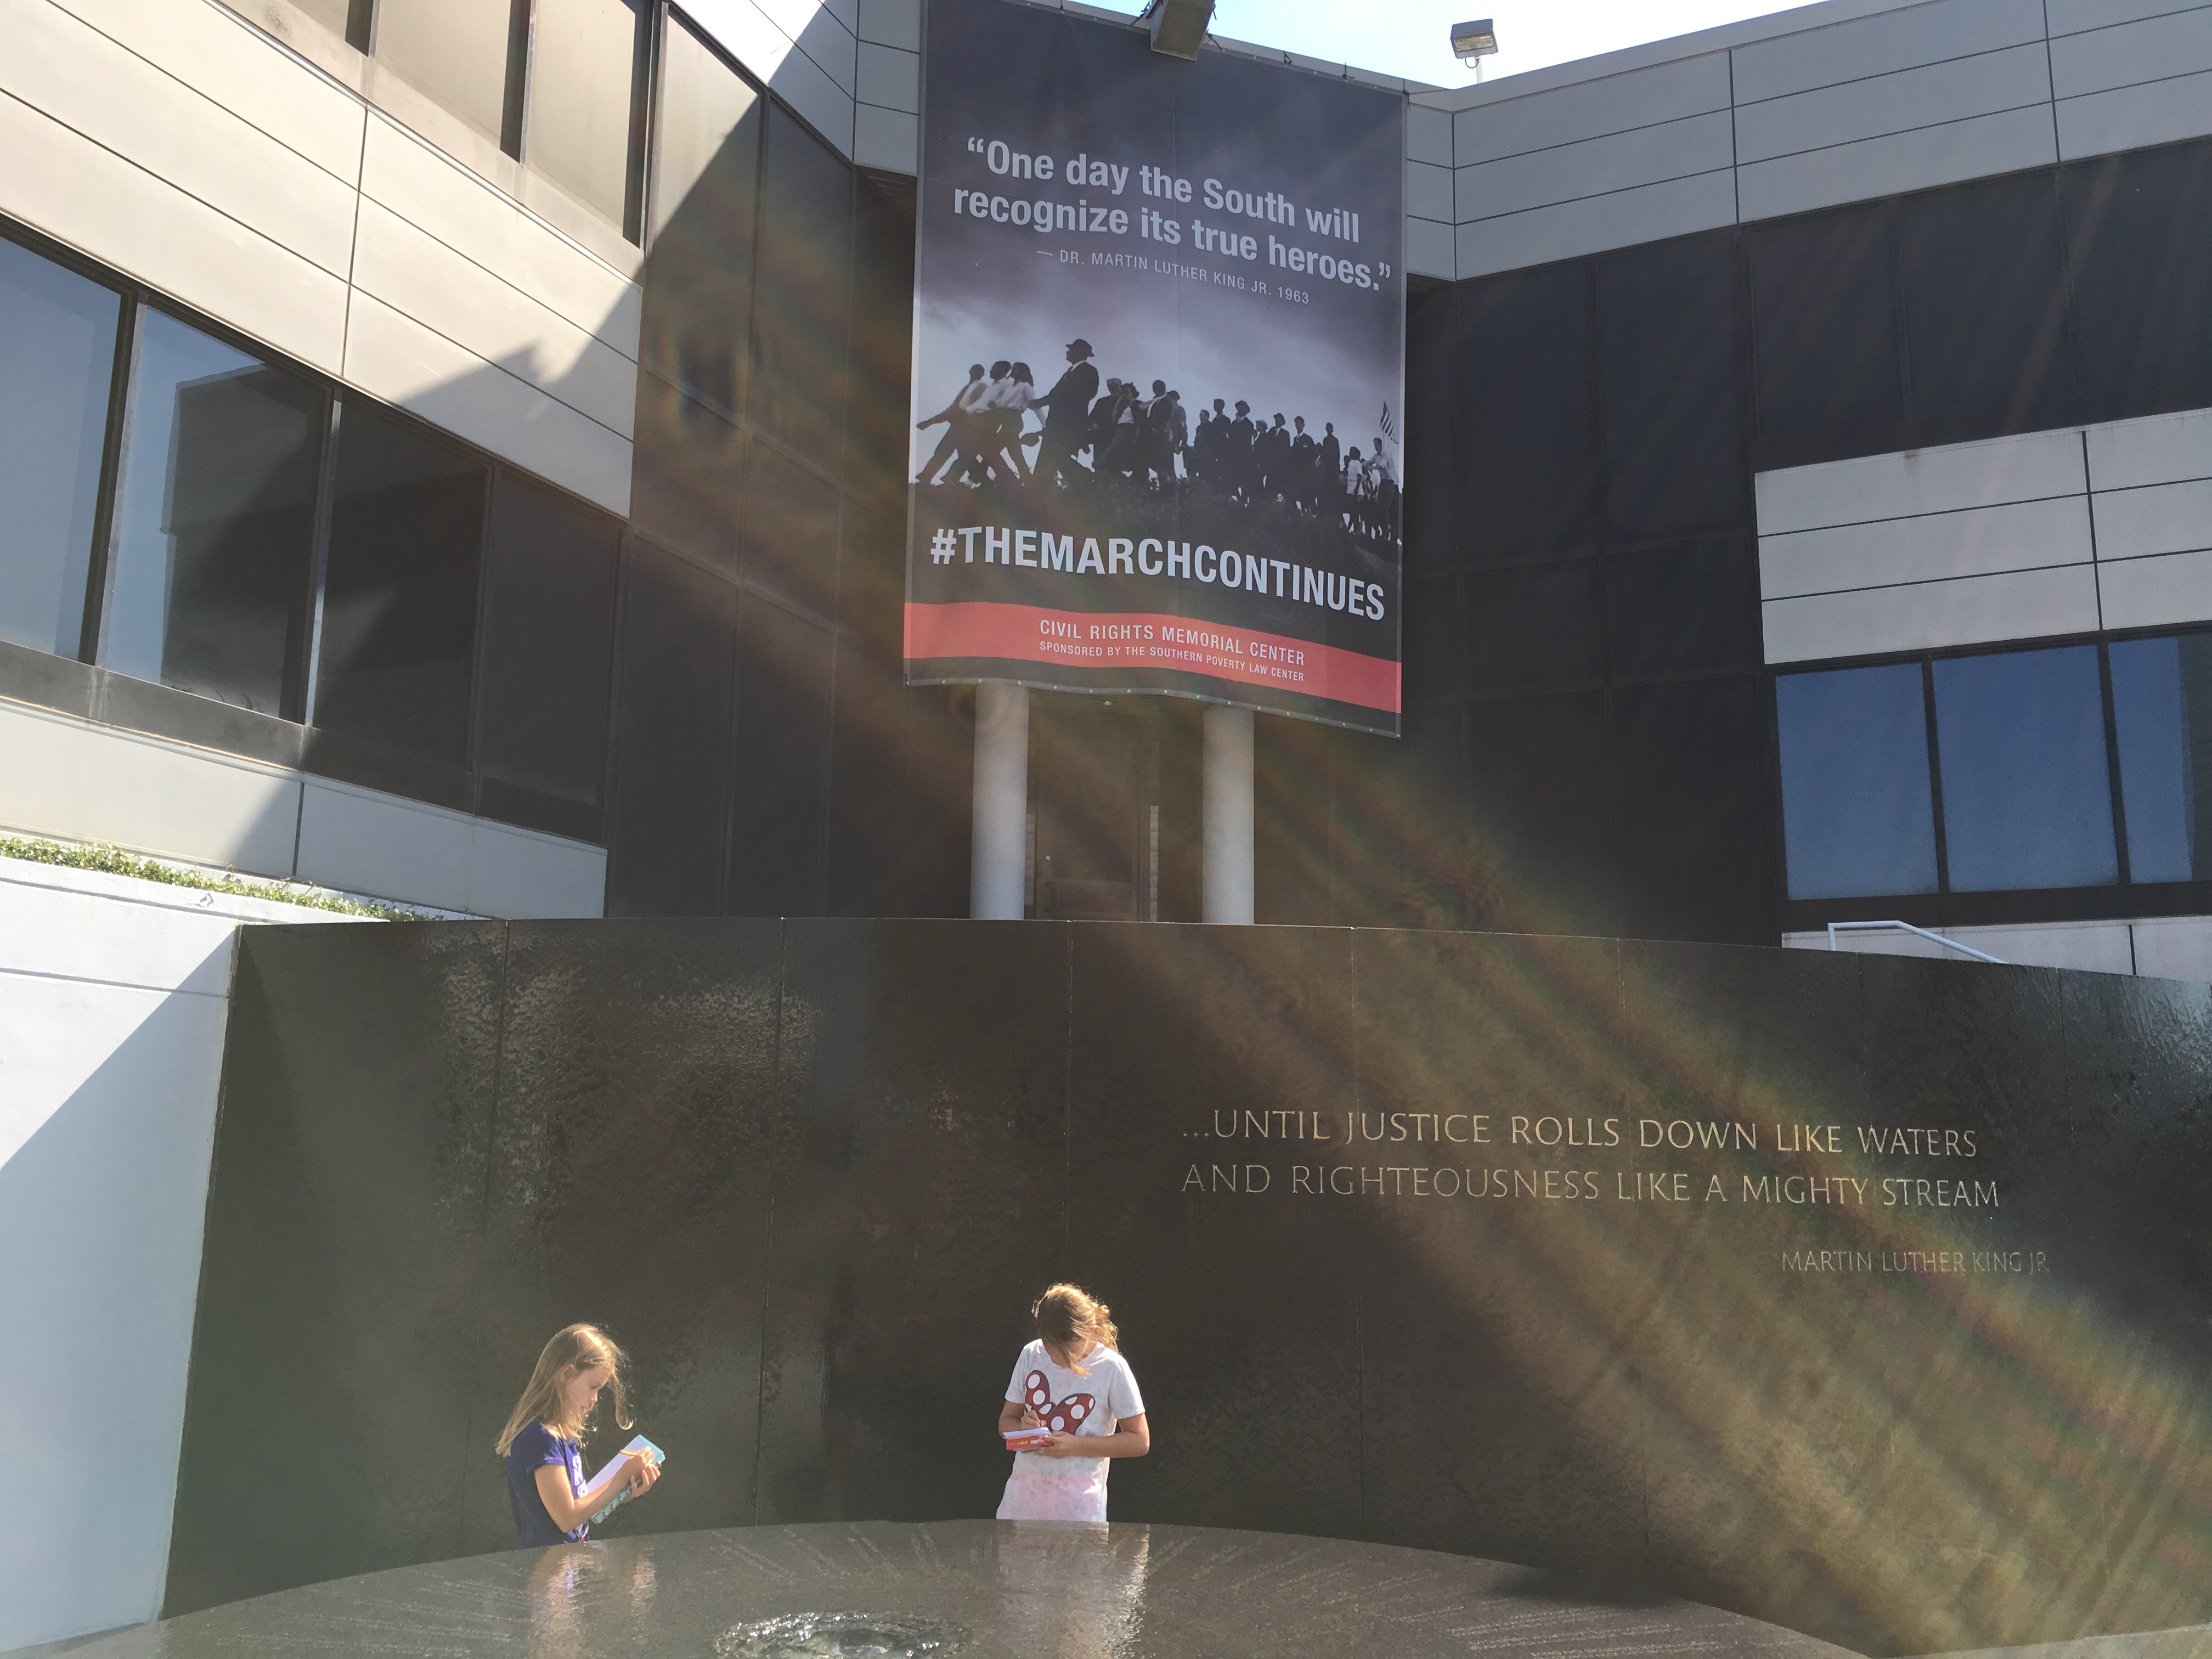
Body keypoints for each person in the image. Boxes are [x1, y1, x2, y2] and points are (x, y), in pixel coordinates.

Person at [496, 1324, 659, 1550]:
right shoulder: (540, 1439)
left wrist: (624, 1491)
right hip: (545, 1568)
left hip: (568, 1564)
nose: (596, 1399)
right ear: (566, 1374)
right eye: (593, 1387)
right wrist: (621, 1478)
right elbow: (567, 1518)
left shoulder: (564, 1438)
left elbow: (579, 1503)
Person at [995, 1283, 1148, 1522]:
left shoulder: (1111, 1368)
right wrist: (1023, 1431)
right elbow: (1006, 1423)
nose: (1059, 1359)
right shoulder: (1031, 1354)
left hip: (1079, 1513)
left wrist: (1076, 1446)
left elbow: (1139, 1441)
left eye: (1069, 1352)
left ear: (1091, 1331)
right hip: (1021, 1505)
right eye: (1051, 1349)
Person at [1030, 340, 1099, 490]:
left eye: (1071, 350)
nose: (1068, 352)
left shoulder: (1089, 371)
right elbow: (1055, 394)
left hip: (1070, 424)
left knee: (1059, 457)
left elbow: (1086, 394)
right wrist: (1038, 403)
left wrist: (1049, 402)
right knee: (1049, 456)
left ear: (1079, 353)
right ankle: (1037, 491)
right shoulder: (1069, 372)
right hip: (1056, 423)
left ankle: (1085, 482)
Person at [915, 364, 987, 485]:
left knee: (962, 455)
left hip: (968, 427)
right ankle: (926, 477)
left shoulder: (983, 388)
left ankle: (980, 478)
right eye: (974, 371)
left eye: (978, 371)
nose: (974, 373)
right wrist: (929, 422)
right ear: (970, 371)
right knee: (947, 452)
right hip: (958, 426)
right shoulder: (968, 388)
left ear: (982, 374)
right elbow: (953, 409)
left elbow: (978, 408)